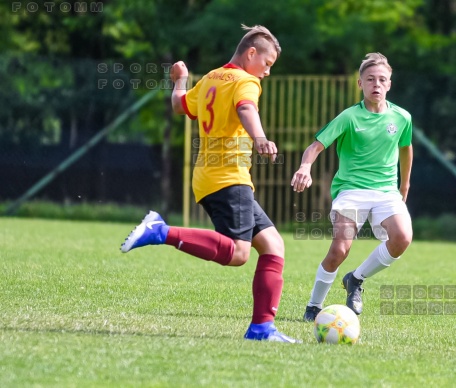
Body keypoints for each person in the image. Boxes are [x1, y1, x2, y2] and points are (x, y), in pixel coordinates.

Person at [120, 25, 299, 343]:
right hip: (228, 178)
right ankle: (160, 231)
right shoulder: (247, 81)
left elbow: (179, 106)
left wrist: (180, 81)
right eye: (267, 64)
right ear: (251, 53)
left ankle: (261, 329)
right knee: (239, 254)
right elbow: (246, 108)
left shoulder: (212, 78)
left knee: (273, 246)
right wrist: (259, 137)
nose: (267, 72)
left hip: (211, 177)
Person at [291, 52, 414, 321]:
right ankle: (314, 305)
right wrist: (304, 167)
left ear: (390, 84)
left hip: (386, 191)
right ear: (360, 84)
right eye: (370, 79)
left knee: (402, 238)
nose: (376, 84)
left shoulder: (402, 117)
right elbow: (316, 146)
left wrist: (404, 184)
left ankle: (356, 279)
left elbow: (406, 149)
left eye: (382, 79)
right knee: (339, 250)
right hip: (351, 190)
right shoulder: (348, 117)